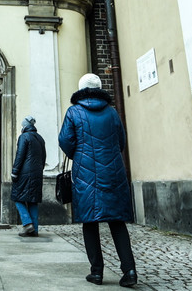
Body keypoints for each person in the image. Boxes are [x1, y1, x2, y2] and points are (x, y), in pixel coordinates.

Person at [59, 73, 138, 287]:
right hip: (113, 171)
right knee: (117, 221)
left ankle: (97, 272)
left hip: (85, 173)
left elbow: (65, 141)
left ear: (81, 89)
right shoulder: (112, 113)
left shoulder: (74, 111)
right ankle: (129, 270)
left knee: (90, 222)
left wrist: (81, 154)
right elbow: (120, 141)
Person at [11, 115, 46, 237]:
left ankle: (27, 223)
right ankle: (34, 230)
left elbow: (20, 155)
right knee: (33, 201)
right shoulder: (40, 138)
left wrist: (15, 171)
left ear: (25, 126)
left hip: (24, 173)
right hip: (37, 173)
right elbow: (43, 158)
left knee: (17, 197)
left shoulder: (24, 137)